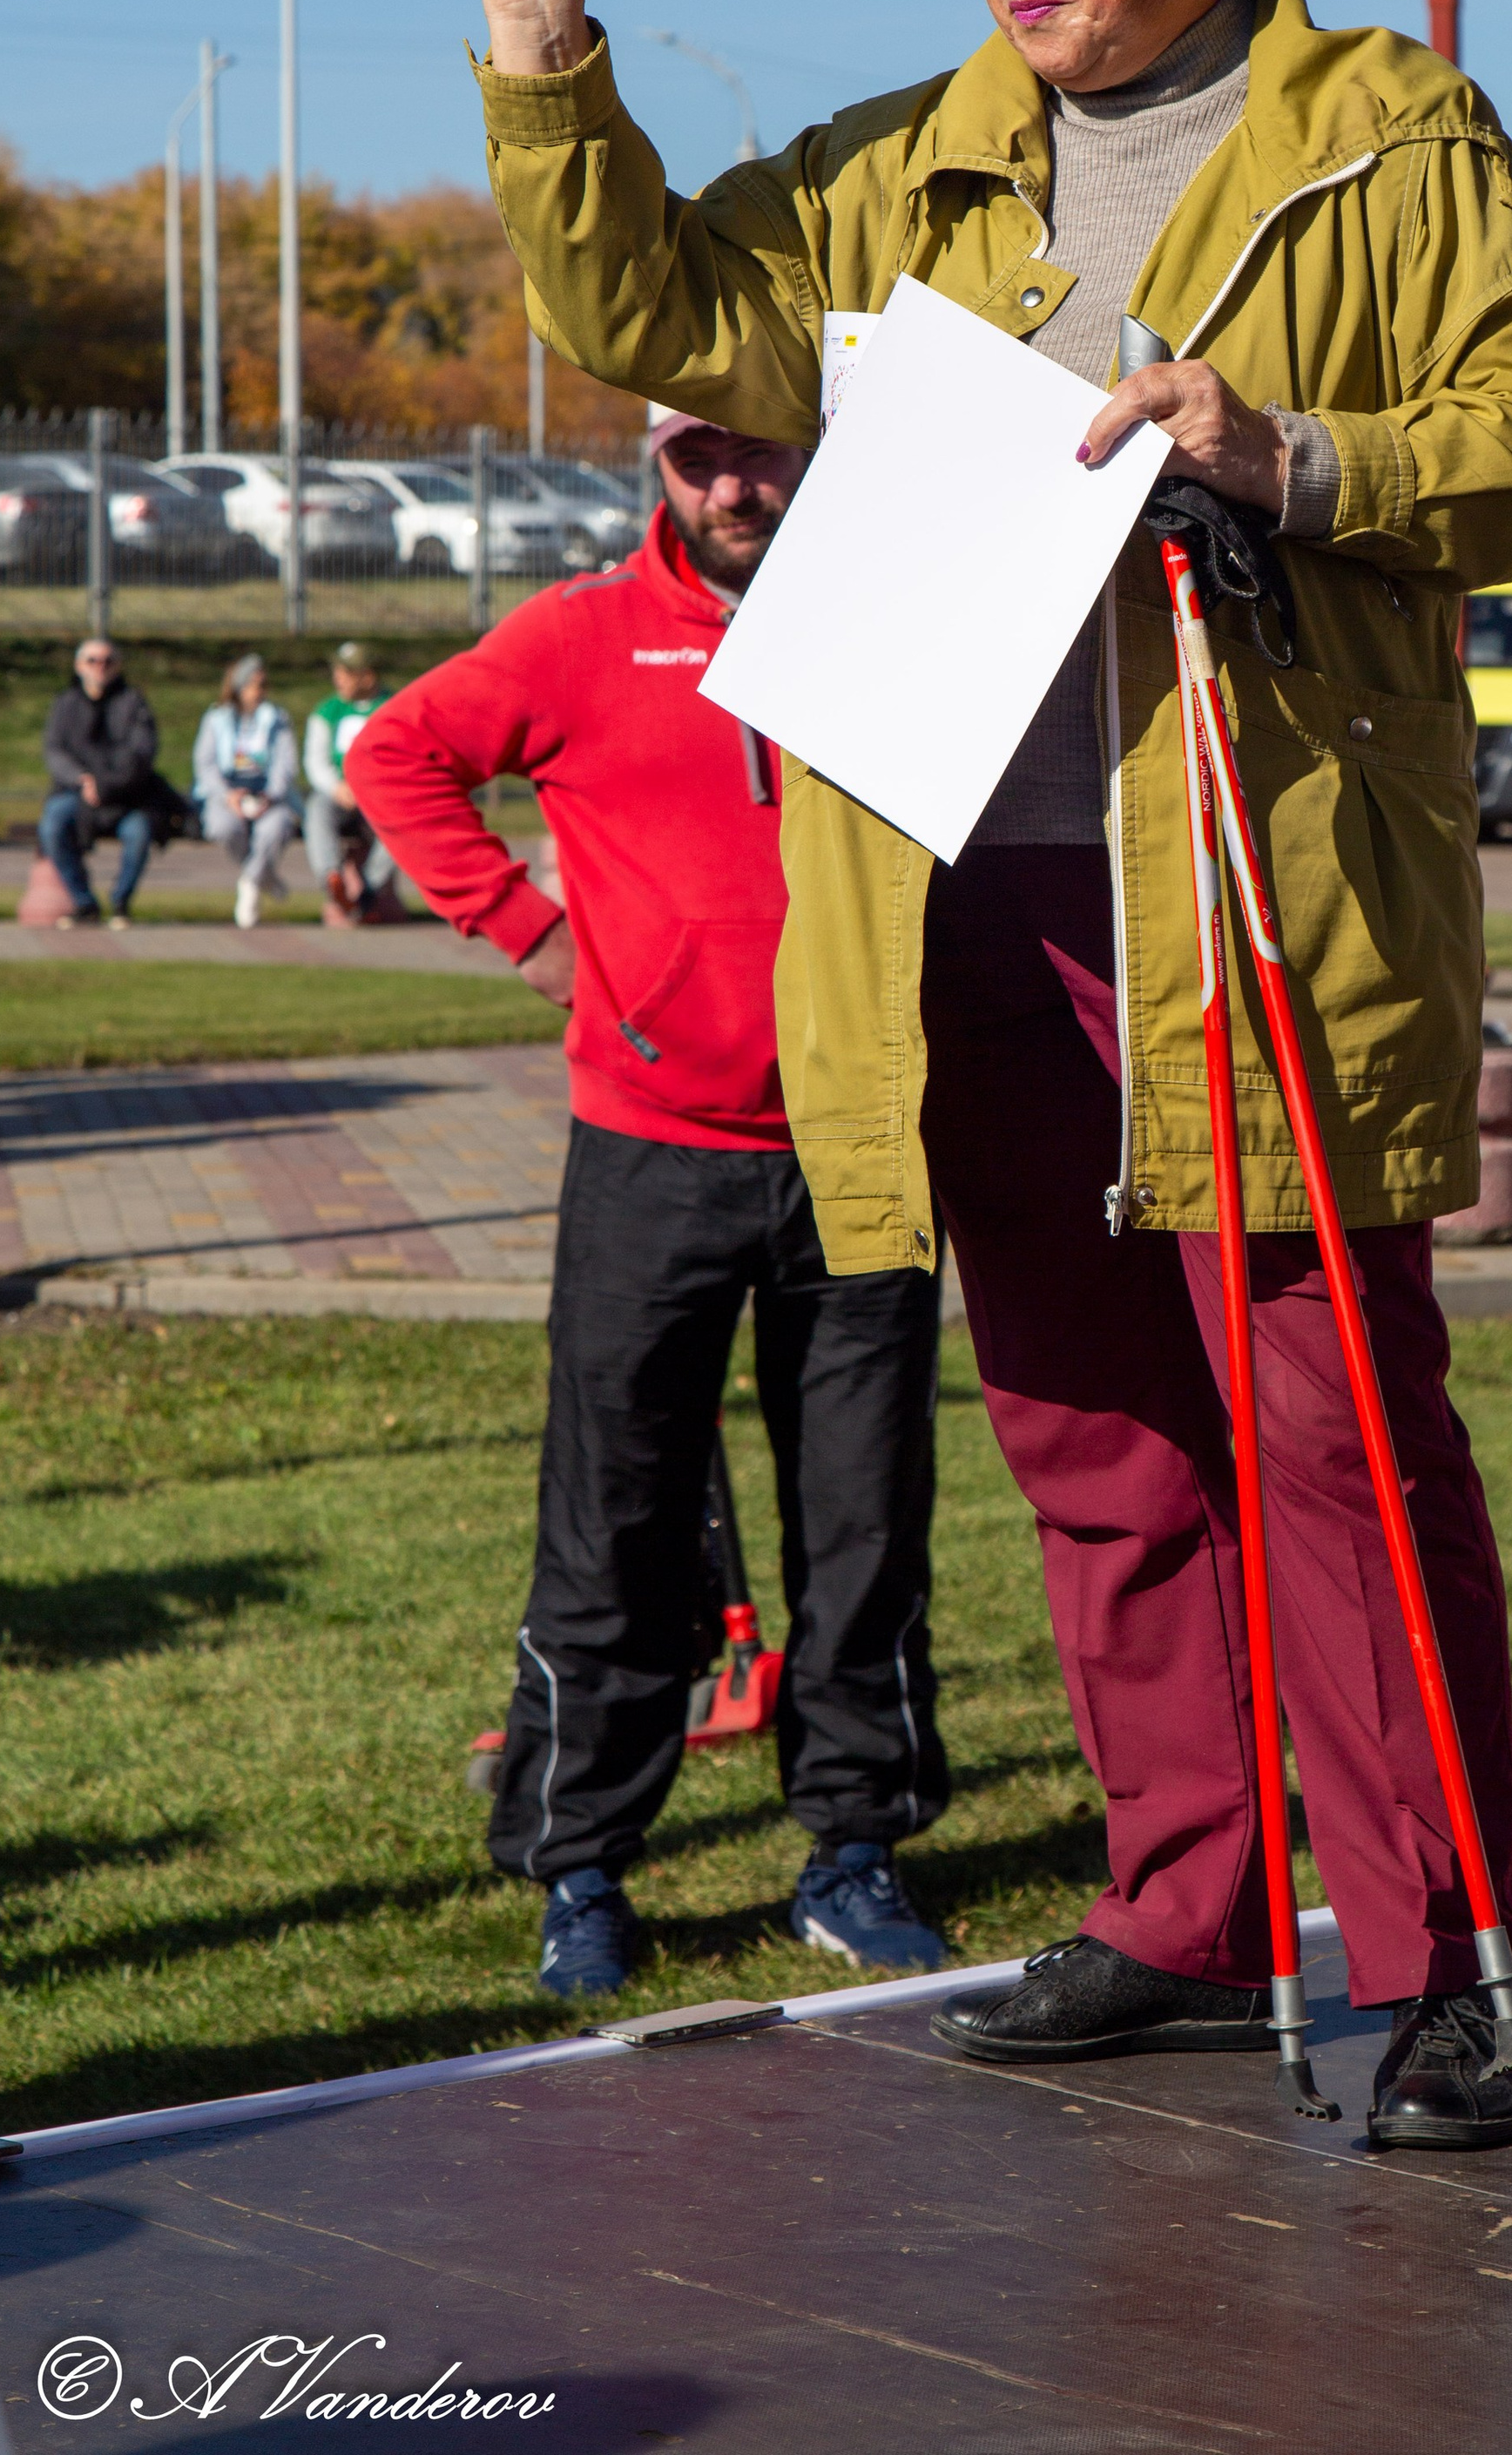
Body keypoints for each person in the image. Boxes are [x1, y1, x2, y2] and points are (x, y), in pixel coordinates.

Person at [442, 0, 1512, 2145]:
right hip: (952, 899)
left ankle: (1443, 1960)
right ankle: (1188, 1908)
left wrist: (1291, 452)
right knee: (1088, 1432)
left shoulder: (1388, 134)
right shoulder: (898, 162)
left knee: (1334, 1436)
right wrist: (538, 27)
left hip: (1250, 892)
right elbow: (647, 316)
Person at [350, 409, 949, 1998]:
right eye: (699, 461)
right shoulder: (583, 633)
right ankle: (583, 1864)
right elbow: (394, 753)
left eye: (762, 453)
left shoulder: (898, 612)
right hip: (651, 1149)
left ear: (815, 450)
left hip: (859, 1147)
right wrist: (532, 933)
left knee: (864, 1518)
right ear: (656, 469)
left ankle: (854, 1848)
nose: (734, 487)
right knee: (613, 1516)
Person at [39, 639, 183, 928]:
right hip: (76, 792)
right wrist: (82, 780)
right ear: (79, 666)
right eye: (92, 660)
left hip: (126, 795)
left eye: (108, 661)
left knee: (139, 833)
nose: (100, 667)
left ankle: (120, 902)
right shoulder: (66, 704)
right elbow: (54, 751)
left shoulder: (133, 703)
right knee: (52, 824)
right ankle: (84, 902)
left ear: (118, 666)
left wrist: (106, 785)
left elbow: (142, 754)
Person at [191, 653, 300, 927]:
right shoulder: (216, 719)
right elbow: (205, 765)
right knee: (223, 827)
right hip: (227, 794)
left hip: (267, 795)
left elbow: (285, 764)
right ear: (239, 687)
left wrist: (270, 795)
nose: (259, 692)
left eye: (263, 685)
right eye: (254, 685)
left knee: (276, 827)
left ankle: (251, 882)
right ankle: (266, 877)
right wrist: (227, 796)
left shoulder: (276, 718)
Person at [303, 644, 399, 923]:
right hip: (340, 794)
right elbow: (315, 761)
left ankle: (369, 889)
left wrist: (374, 789)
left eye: (346, 673)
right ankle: (332, 878)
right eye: (337, 672)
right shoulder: (328, 711)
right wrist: (336, 787)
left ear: (367, 677)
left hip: (380, 795)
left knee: (400, 819)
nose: (338, 679)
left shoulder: (394, 707)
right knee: (317, 810)